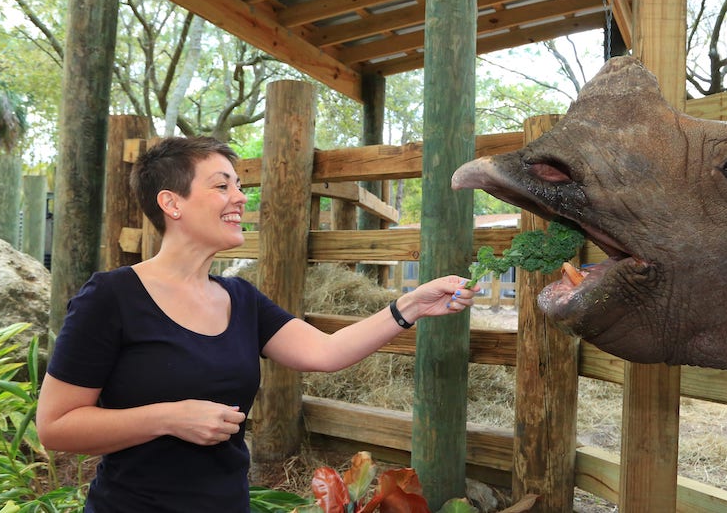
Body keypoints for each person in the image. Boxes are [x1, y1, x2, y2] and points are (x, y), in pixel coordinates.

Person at [35, 136, 479, 512]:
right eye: (221, 185)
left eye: (239, 185)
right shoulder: (111, 297)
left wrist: (411, 306)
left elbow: (326, 352)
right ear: (171, 203)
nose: (240, 197)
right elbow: (56, 427)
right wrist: (169, 417)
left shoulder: (240, 298)